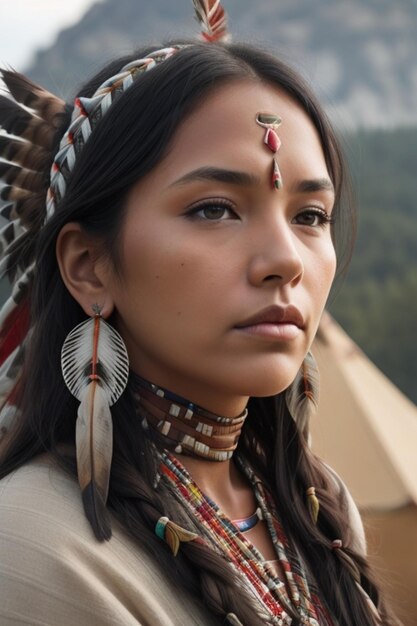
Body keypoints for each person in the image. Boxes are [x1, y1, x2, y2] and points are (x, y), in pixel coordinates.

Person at [0, 2, 400, 625]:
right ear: (89, 266)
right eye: (214, 209)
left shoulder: (318, 509)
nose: (284, 260)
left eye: (310, 216)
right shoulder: (35, 548)